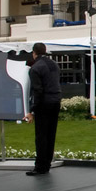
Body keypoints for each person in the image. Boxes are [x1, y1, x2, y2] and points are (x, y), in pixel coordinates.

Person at [24, 42, 62, 176]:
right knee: (51, 134)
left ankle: (40, 166)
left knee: (41, 135)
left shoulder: (35, 69)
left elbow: (37, 91)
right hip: (56, 100)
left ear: (34, 53)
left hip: (44, 103)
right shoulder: (54, 65)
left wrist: (33, 110)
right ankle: (47, 163)